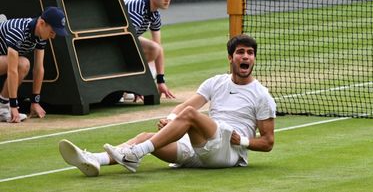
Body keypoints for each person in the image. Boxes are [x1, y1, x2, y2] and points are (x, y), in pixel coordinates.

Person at [59, 34, 275, 176]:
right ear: (231, 57)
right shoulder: (215, 82)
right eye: (240, 52)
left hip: (228, 152)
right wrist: (171, 120)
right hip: (202, 150)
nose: (245, 56)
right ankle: (94, 160)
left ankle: (136, 154)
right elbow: (185, 107)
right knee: (147, 135)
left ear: (253, 59)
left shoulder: (262, 95)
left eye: (250, 53)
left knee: (190, 115)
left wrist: (243, 140)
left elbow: (268, 142)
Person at [0, 7, 68, 123]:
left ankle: (2, 109)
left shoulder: (41, 35)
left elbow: (39, 68)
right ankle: (4, 108)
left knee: (23, 64)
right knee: (22, 64)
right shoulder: (18, 31)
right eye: (52, 32)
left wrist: (35, 101)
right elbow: (12, 70)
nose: (53, 36)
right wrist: (13, 106)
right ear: (42, 23)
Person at [123, 0, 177, 99]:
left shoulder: (155, 14)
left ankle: (129, 85)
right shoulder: (136, 12)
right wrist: (137, 84)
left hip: (125, 40)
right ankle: (126, 86)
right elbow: (126, 47)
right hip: (111, 42)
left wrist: (160, 81)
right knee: (141, 49)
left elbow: (158, 49)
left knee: (154, 49)